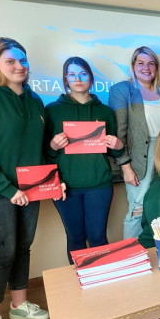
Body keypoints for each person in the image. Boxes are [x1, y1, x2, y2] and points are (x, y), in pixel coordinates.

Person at [0, 37, 52, 319]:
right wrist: (7, 188)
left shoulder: (35, 100)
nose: (19, 66)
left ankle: (19, 305)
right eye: (11, 61)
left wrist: (52, 180)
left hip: (31, 190)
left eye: (23, 60)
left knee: (23, 247)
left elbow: (40, 150)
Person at [46, 57, 124, 263]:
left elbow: (113, 152)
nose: (77, 79)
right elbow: (44, 154)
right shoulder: (52, 110)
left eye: (82, 74)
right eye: (72, 75)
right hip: (66, 187)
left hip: (99, 185)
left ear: (90, 78)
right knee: (75, 238)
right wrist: (53, 146)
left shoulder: (105, 111)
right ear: (65, 79)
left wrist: (118, 146)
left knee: (98, 238)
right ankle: (78, 280)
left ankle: (103, 280)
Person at [109, 46, 160, 239]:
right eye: (141, 63)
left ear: (156, 67)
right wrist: (126, 167)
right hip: (140, 158)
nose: (146, 68)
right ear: (133, 66)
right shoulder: (123, 90)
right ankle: (133, 253)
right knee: (137, 209)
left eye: (151, 63)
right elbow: (119, 132)